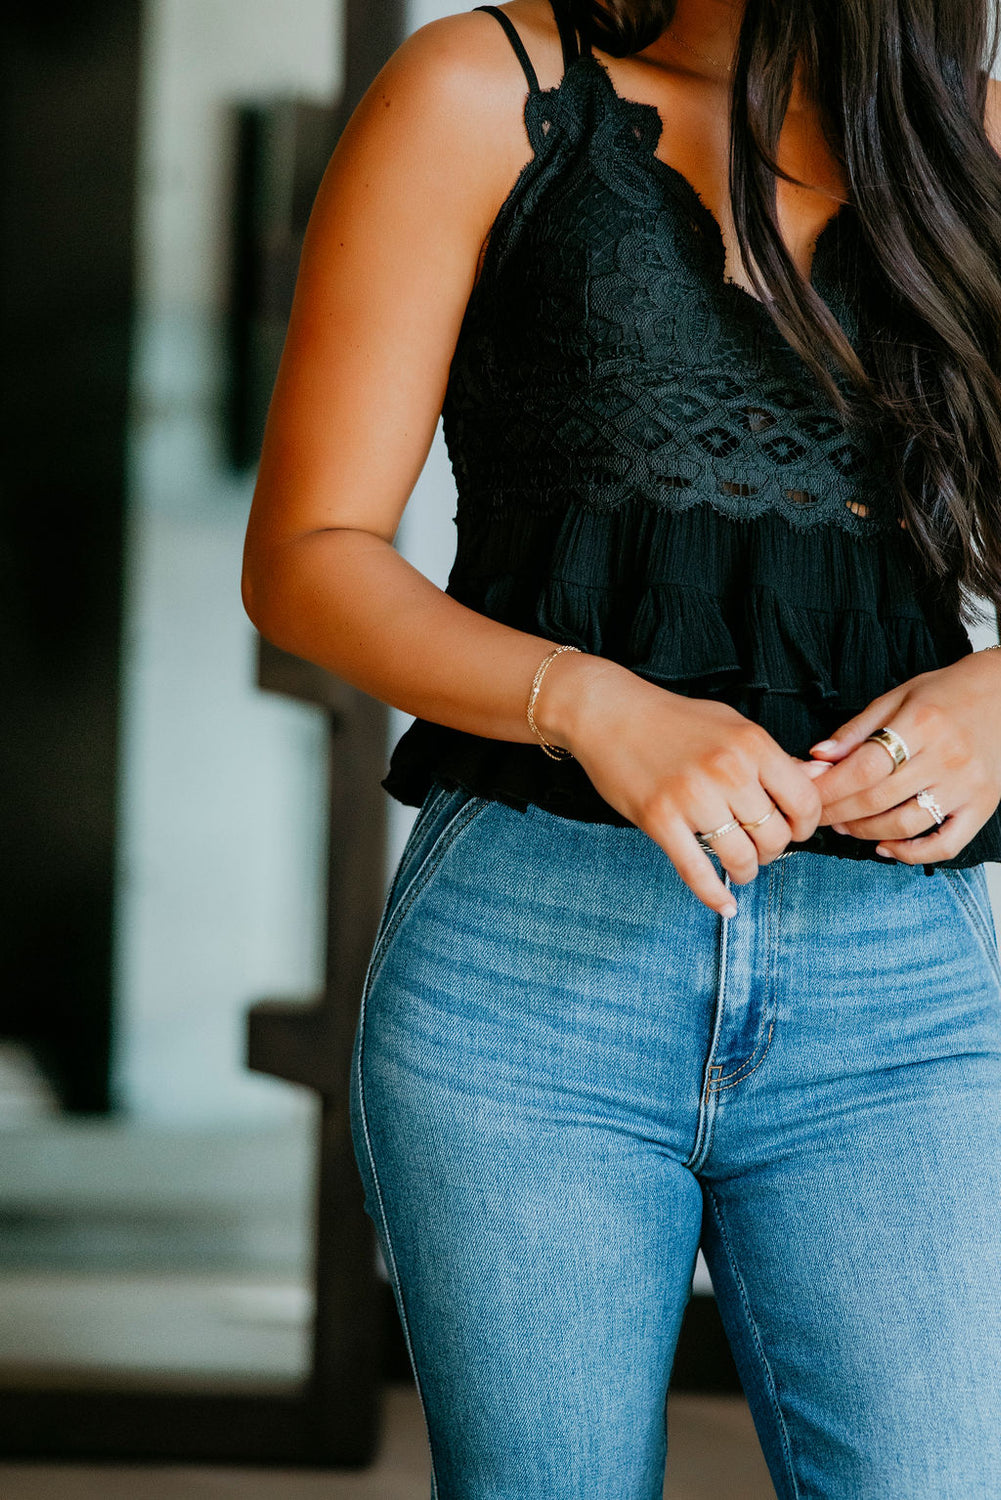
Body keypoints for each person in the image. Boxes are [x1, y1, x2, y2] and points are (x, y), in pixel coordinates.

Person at [241, 1, 1001, 1493]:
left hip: (895, 995)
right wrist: (591, 704)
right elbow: (307, 556)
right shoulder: (487, 90)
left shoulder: (972, 138)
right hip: (529, 970)